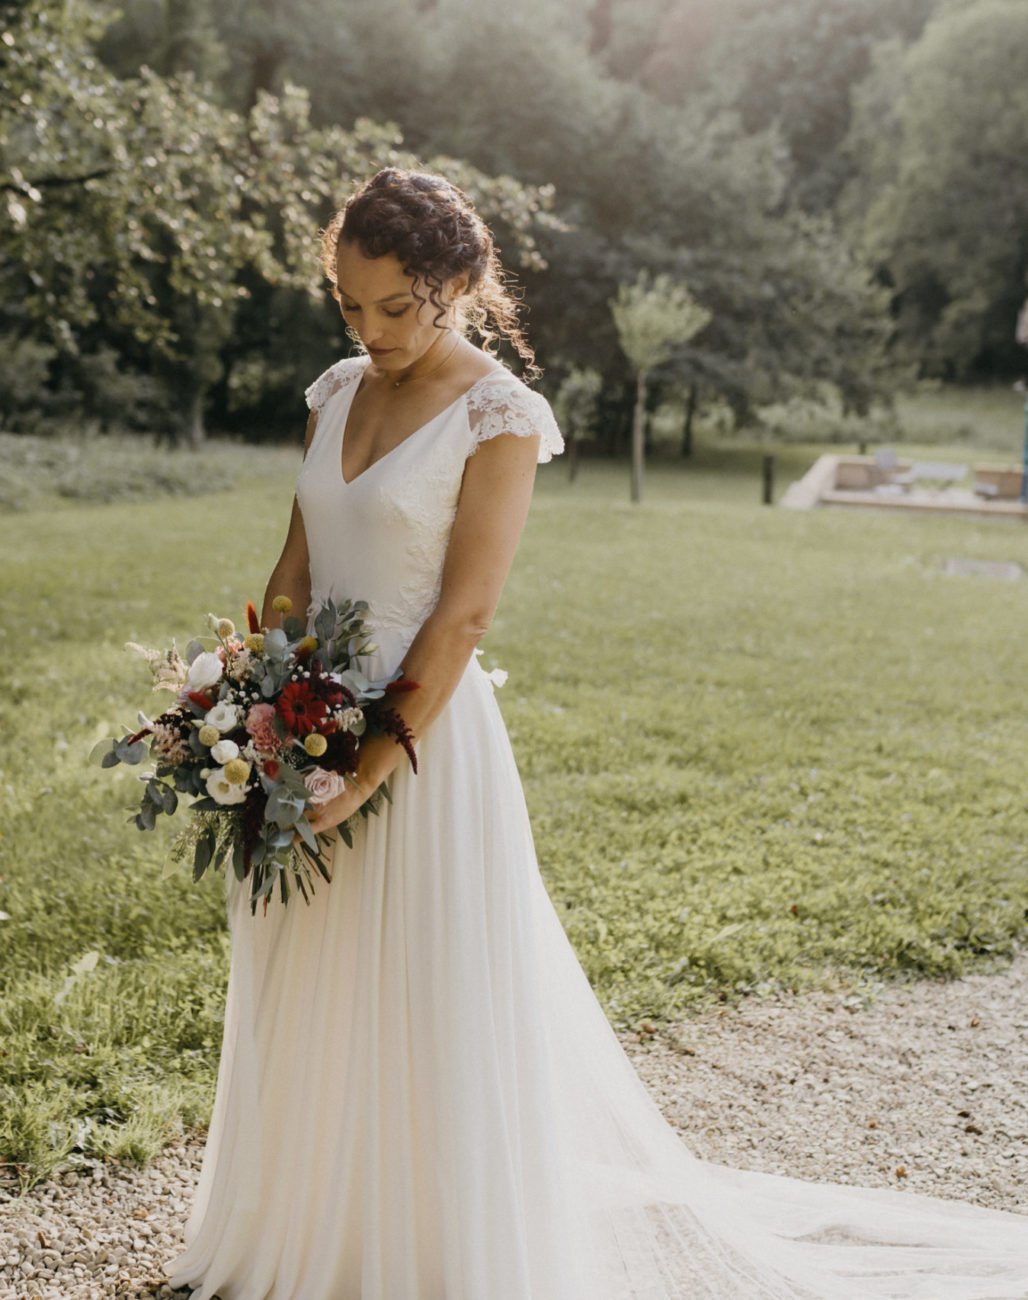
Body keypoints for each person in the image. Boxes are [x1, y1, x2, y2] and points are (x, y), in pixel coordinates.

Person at [164, 168, 1028, 1298]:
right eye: (348, 304)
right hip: (304, 729)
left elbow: (465, 613)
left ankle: (426, 1256)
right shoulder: (335, 391)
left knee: (423, 1007)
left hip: (418, 744)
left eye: (393, 307)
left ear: (458, 285)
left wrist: (365, 771)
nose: (368, 330)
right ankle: (309, 1239)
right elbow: (293, 570)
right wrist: (260, 712)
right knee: (308, 987)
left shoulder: (498, 415)